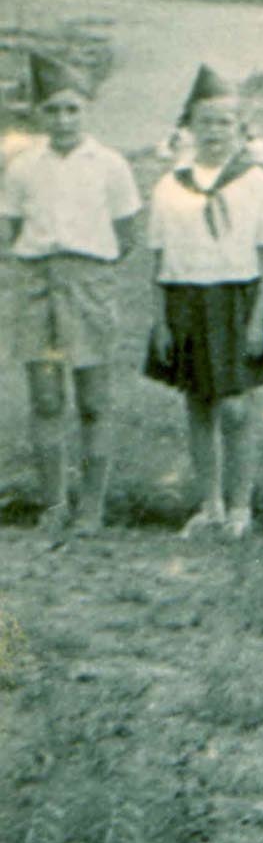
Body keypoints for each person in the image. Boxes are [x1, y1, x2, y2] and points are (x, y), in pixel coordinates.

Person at [4, 51, 144, 533]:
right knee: (45, 398)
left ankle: (92, 505)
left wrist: (89, 269)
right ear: (38, 114)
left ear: (87, 109)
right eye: (53, 110)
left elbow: (126, 235)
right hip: (37, 283)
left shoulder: (110, 165)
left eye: (72, 109)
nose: (63, 120)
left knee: (94, 400)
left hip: (89, 283)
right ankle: (52, 503)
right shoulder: (23, 166)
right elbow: (13, 228)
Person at [142, 64, 263, 535]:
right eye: (206, 122)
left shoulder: (257, 182)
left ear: (241, 130)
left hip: (236, 298)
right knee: (198, 401)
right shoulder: (170, 185)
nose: (216, 132)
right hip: (186, 298)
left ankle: (242, 506)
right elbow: (158, 258)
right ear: (189, 128)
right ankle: (211, 504)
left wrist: (259, 318)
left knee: (236, 407)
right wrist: (161, 321)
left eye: (226, 122)